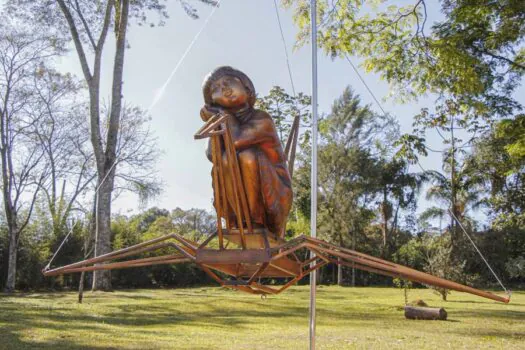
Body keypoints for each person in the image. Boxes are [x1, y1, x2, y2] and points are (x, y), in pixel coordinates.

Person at [200, 66, 292, 237]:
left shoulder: (261, 119)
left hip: (273, 194)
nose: (224, 90)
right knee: (225, 160)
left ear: (247, 88)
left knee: (247, 156)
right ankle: (238, 219)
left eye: (228, 82)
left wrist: (223, 116)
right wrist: (216, 121)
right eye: (216, 89)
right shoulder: (222, 121)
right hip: (239, 198)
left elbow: (235, 140)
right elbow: (213, 155)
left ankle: (255, 220)